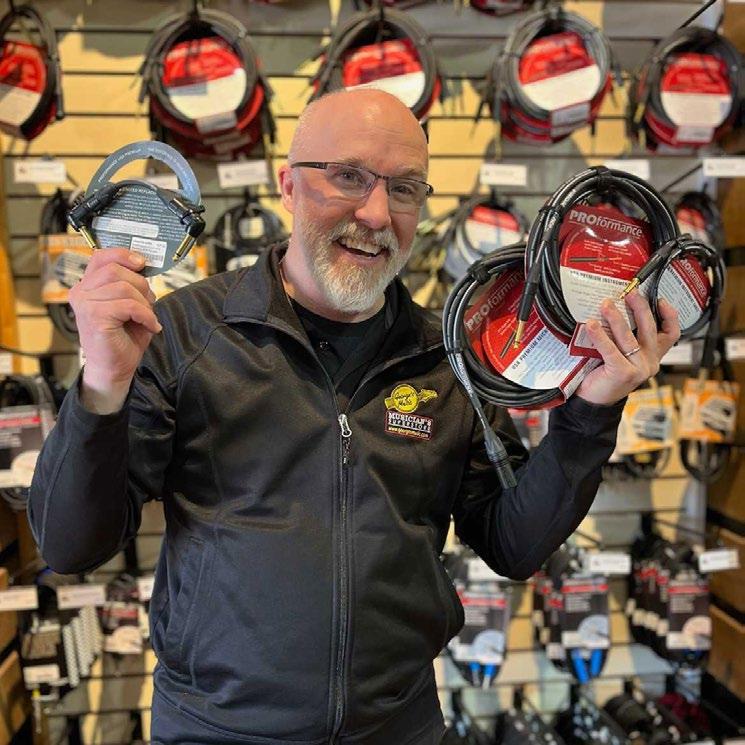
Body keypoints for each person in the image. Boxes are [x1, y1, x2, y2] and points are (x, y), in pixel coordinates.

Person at [29, 89, 680, 745]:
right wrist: (101, 387)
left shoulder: (448, 355)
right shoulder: (184, 331)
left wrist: (592, 409)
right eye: (348, 177)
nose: (376, 213)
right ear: (288, 185)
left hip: (401, 728)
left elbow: (512, 545)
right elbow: (70, 544)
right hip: (217, 731)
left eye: (404, 189)